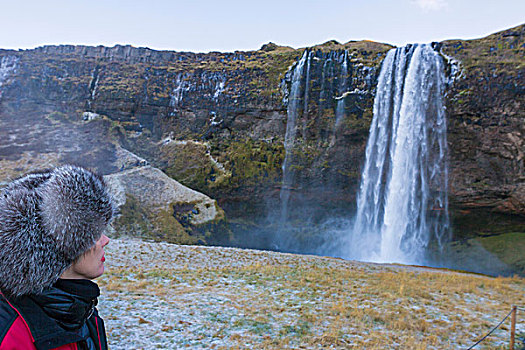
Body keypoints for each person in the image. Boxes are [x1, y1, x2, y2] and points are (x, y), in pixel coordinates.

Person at [0, 165, 114, 350]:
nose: (105, 240)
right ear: (58, 248)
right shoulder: (11, 334)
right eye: (94, 233)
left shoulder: (82, 312)